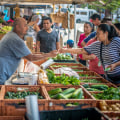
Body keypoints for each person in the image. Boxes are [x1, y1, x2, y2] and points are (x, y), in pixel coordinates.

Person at [0, 17, 58, 84]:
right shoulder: (16, 40)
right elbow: (31, 57)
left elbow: (23, 56)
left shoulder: (10, 35)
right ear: (17, 27)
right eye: (24, 26)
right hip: (2, 72)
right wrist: (49, 55)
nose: (27, 28)